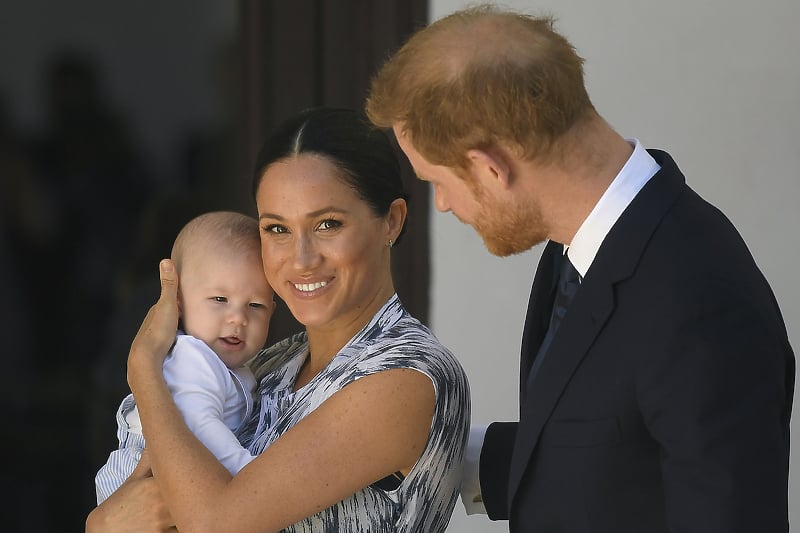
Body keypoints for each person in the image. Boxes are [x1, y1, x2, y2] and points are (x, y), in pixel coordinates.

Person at [365, 4, 794, 532]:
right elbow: (608, 448)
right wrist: (421, 446)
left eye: (437, 181)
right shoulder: (585, 244)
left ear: (491, 167)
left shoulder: (699, 301)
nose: (445, 204)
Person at [85, 106, 471, 532]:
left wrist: (144, 368)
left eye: (328, 224)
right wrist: (103, 522)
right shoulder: (270, 365)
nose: (301, 260)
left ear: (391, 222)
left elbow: (215, 523)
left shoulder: (406, 375)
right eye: (277, 229)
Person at [94, 210, 275, 504]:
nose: (238, 318)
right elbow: (200, 425)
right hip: (144, 478)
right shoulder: (193, 358)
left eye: (255, 306)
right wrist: (249, 474)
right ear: (178, 303)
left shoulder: (232, 366)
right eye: (220, 299)